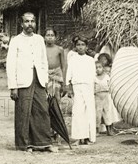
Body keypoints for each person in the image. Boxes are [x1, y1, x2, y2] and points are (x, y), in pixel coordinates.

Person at [6, 12, 57, 153]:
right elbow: (10, 64)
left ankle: (44, 143)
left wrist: (45, 80)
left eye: (32, 21)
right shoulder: (16, 40)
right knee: (24, 112)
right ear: (21, 24)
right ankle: (24, 144)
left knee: (42, 110)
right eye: (27, 21)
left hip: (38, 79)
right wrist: (13, 86)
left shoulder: (39, 39)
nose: (30, 24)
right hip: (22, 80)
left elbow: (43, 61)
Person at [66, 36, 97, 145]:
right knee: (78, 111)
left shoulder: (90, 60)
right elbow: (69, 74)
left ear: (86, 47)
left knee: (89, 111)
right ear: (75, 46)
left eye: (83, 45)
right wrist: (69, 87)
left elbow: (93, 75)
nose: (80, 47)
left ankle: (89, 137)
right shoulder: (72, 59)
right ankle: (79, 137)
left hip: (88, 86)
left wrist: (94, 86)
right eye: (78, 45)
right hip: (77, 87)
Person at [94, 61, 118, 136]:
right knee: (97, 114)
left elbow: (110, 86)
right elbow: (93, 88)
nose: (98, 69)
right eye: (96, 68)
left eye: (99, 67)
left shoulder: (107, 77)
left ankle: (109, 130)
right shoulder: (94, 78)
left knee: (108, 113)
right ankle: (96, 130)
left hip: (106, 97)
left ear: (103, 68)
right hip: (97, 97)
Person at [44, 28, 67, 104]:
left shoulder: (59, 49)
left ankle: (57, 114)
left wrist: (64, 83)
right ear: (44, 37)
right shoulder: (42, 49)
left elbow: (63, 66)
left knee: (57, 96)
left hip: (57, 75)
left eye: (52, 35)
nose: (50, 37)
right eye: (48, 35)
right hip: (45, 75)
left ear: (55, 37)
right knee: (46, 97)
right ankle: (46, 115)